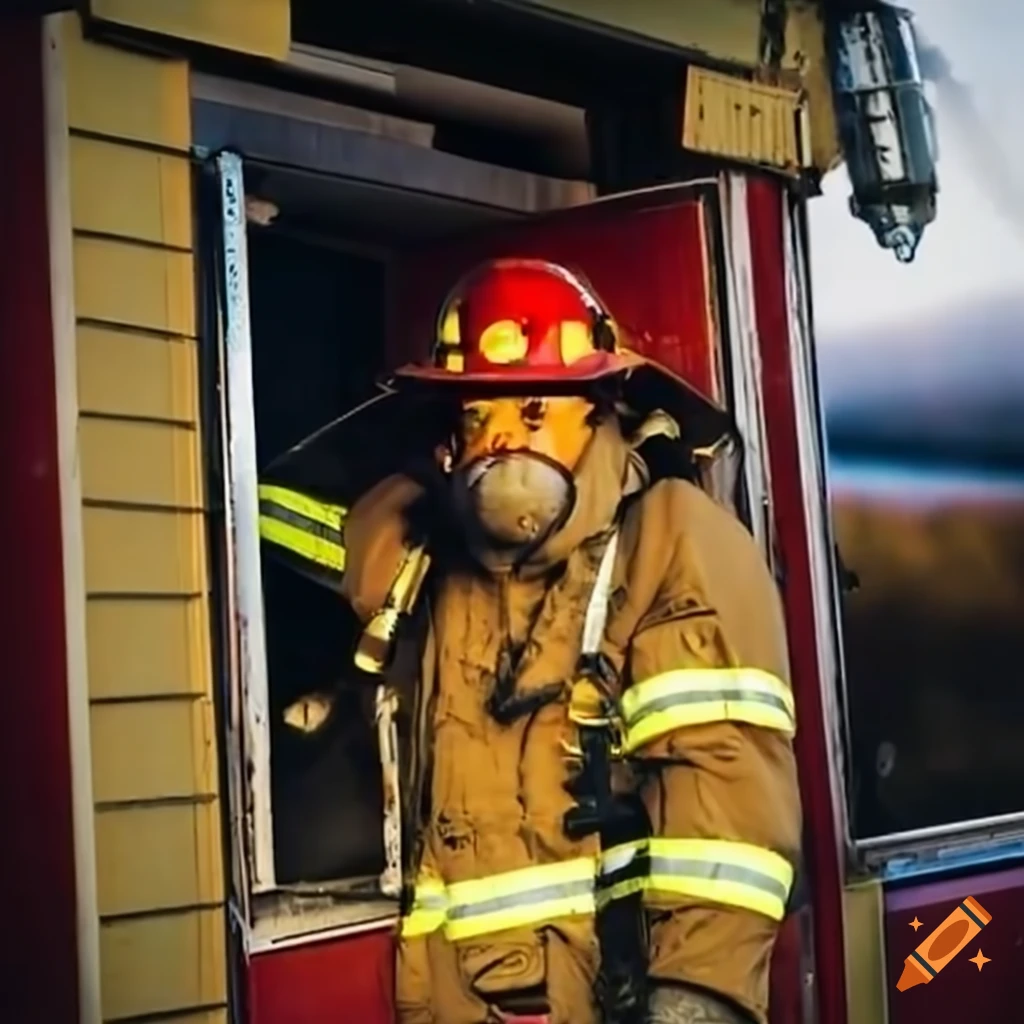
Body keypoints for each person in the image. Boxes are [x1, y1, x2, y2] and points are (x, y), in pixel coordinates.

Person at [338, 259, 802, 1024]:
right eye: (477, 419)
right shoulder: (437, 568)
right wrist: (391, 521)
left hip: (610, 1001)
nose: (500, 446)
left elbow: (728, 806)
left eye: (530, 413)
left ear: (600, 408)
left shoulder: (670, 541)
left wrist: (695, 1003)